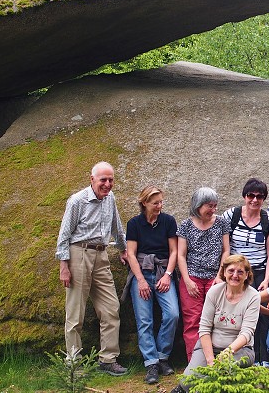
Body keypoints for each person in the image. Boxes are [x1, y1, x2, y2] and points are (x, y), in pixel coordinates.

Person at [55, 161, 128, 376]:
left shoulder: (110, 198)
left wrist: (123, 248)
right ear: (92, 179)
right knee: (75, 312)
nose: (107, 184)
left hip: (101, 254)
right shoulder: (77, 201)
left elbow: (117, 224)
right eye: (103, 180)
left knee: (111, 307)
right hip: (79, 254)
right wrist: (64, 266)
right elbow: (64, 235)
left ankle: (108, 359)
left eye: (110, 180)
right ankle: (74, 364)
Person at [171, 255, 260, 393]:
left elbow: (247, 333)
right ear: (224, 272)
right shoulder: (214, 292)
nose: (235, 275)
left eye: (240, 272)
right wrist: (210, 359)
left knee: (219, 377)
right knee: (188, 380)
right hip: (209, 347)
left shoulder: (253, 296)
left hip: (240, 350)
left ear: (247, 275)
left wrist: (226, 354)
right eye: (231, 271)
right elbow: (204, 328)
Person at [123, 186, 178, 384]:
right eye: (155, 203)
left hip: (163, 272)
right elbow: (130, 254)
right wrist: (140, 280)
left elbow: (174, 251)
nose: (159, 206)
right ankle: (151, 363)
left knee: (173, 314)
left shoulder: (168, 221)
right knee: (144, 320)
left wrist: (168, 276)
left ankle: (163, 356)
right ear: (144, 203)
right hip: (142, 273)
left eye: (161, 202)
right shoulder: (134, 223)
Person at [221, 178, 269, 367]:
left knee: (263, 316)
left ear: (264, 199)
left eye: (259, 196)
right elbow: (226, 248)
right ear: (244, 196)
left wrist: (267, 279)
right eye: (250, 195)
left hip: (259, 271)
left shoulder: (267, 219)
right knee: (241, 315)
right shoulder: (232, 215)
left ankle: (264, 358)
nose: (254, 200)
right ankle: (246, 357)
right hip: (237, 273)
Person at [177, 187, 230, 361]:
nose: (213, 210)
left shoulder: (221, 222)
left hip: (215, 276)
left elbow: (226, 251)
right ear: (198, 205)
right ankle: (195, 362)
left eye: (215, 206)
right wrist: (187, 281)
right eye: (209, 206)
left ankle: (215, 360)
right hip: (192, 277)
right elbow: (181, 255)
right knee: (193, 321)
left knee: (216, 319)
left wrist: (220, 276)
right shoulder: (185, 225)